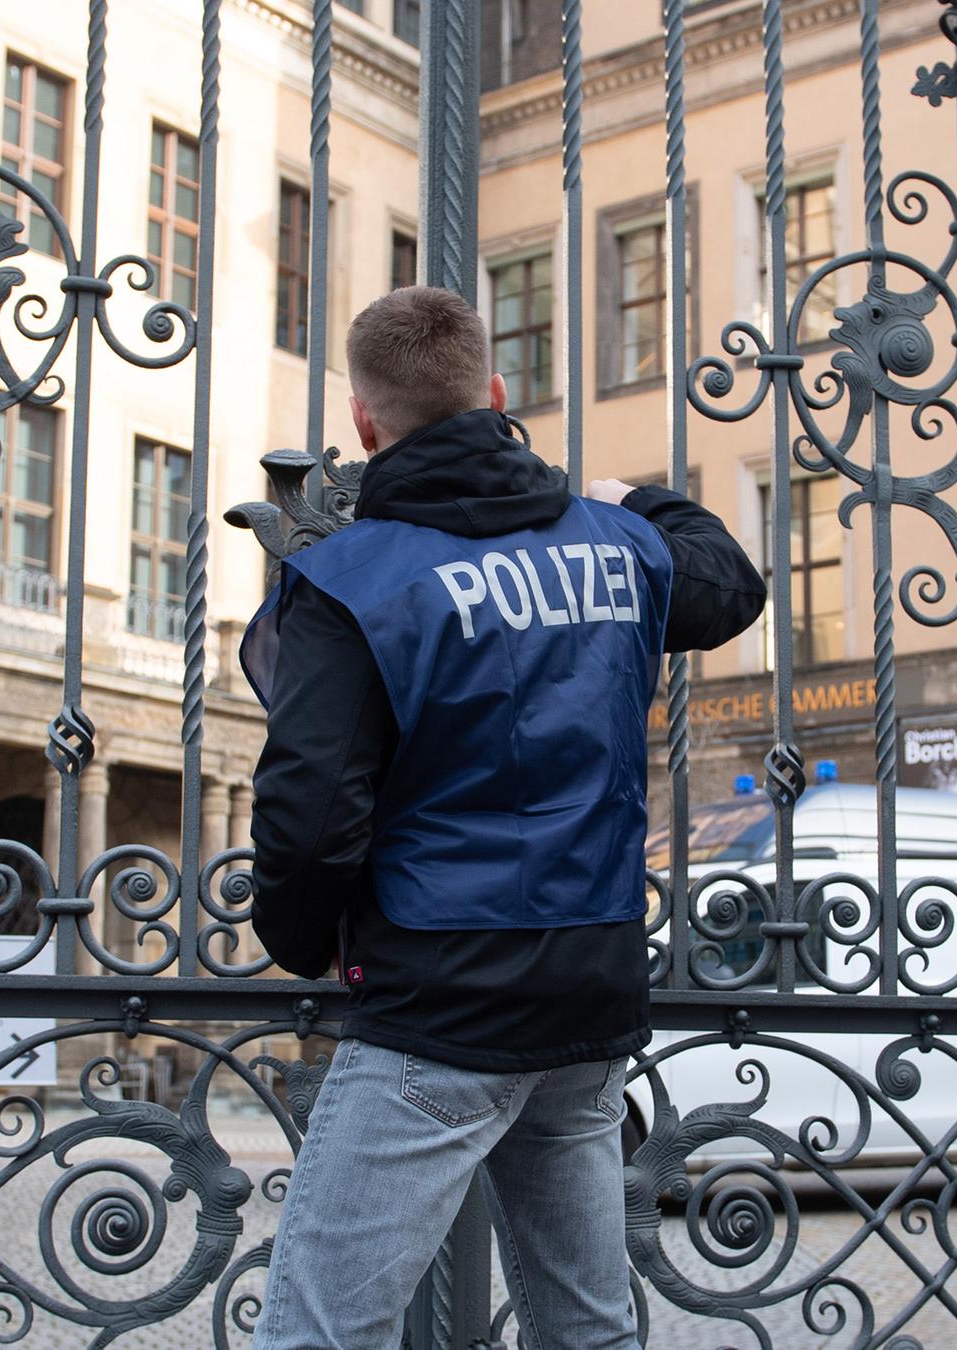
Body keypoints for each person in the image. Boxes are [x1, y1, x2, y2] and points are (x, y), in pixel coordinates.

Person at [239, 286, 766, 1347]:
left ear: (363, 424)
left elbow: (310, 812)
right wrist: (634, 498)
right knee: (585, 1325)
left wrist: (299, 944)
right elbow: (731, 582)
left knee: (321, 1330)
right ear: (496, 394)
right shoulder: (614, 547)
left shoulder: (348, 581)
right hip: (590, 991)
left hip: (442, 1000)